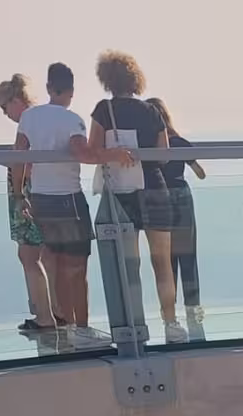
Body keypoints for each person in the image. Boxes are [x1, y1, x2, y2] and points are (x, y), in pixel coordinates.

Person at [15, 62, 130, 342]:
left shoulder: (29, 117)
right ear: (71, 90)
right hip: (69, 200)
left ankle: (65, 327)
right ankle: (81, 329)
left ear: (48, 87)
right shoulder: (71, 120)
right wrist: (113, 155)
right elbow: (83, 153)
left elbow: (18, 156)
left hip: (40, 199)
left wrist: (20, 195)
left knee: (53, 263)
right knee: (76, 269)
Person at [89, 52, 181, 340]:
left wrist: (115, 154)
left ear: (106, 79)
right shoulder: (150, 111)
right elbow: (164, 156)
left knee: (130, 263)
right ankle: (171, 323)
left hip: (121, 191)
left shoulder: (104, 110)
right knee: (162, 262)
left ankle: (134, 324)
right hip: (154, 186)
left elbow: (93, 150)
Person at [0, 75, 58, 335]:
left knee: (28, 254)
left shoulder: (27, 123)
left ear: (15, 101)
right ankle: (55, 310)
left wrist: (20, 193)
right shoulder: (44, 118)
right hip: (47, 191)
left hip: (28, 192)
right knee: (45, 254)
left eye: (4, 106)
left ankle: (44, 317)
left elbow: (24, 160)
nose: (4, 113)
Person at [149, 97, 205, 327]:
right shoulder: (179, 142)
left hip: (159, 197)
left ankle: (168, 313)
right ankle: (193, 309)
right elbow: (201, 173)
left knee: (165, 258)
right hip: (181, 195)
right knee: (188, 254)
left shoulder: (149, 145)